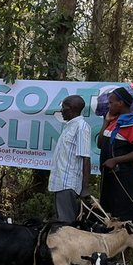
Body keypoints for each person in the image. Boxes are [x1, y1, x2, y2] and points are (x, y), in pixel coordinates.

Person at [98, 82, 133, 223]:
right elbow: (100, 144)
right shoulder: (113, 121)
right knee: (109, 211)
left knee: (124, 212)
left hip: (125, 176)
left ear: (120, 103)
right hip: (110, 176)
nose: (109, 106)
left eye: (111, 102)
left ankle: (129, 241)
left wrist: (116, 160)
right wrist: (106, 123)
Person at [48, 94, 93, 223]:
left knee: (66, 224)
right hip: (60, 182)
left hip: (68, 184)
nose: (61, 111)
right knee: (60, 223)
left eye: (64, 108)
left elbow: (86, 158)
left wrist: (85, 188)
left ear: (72, 108)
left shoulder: (81, 127)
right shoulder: (69, 126)